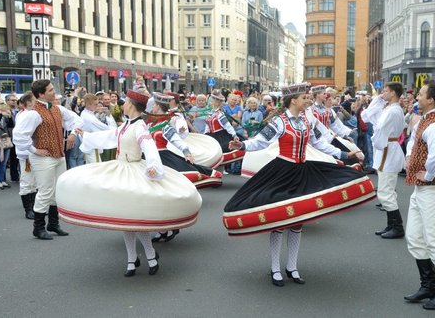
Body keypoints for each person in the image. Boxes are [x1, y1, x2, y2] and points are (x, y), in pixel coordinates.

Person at [224, 83, 376, 287]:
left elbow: (319, 143)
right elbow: (260, 142)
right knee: (278, 221)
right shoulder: (279, 121)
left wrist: (343, 154)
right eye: (304, 98)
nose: (308, 100)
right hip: (281, 172)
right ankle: (275, 268)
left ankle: (292, 267)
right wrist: (242, 145)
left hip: (302, 171)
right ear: (293, 100)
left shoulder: (306, 120)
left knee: (297, 221)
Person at [56, 89, 202, 276]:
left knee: (134, 216)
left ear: (132, 105)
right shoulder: (126, 125)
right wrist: (86, 135)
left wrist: (153, 168)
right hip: (121, 169)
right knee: (126, 217)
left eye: (125, 102)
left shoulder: (140, 126)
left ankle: (148, 255)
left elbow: (149, 148)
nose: (123, 104)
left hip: (134, 170)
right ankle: (133, 259)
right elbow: (109, 136)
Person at [404, 81, 435, 310]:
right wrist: (410, 159)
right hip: (422, 189)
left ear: (431, 99)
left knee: (434, 240)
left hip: (432, 188)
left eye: (421, 94)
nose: (417, 97)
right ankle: (428, 285)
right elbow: (413, 143)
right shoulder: (425, 120)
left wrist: (427, 173)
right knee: (414, 237)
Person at [12, 79, 83, 240]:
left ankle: (53, 223)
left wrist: (73, 133)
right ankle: (38, 227)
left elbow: (77, 120)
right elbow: (18, 135)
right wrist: (34, 149)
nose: (54, 92)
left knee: (57, 190)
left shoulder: (57, 108)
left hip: (58, 155)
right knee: (44, 191)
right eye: (51, 90)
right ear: (41, 94)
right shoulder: (33, 113)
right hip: (42, 158)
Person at [147, 92, 222, 241]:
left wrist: (186, 152)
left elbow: (177, 140)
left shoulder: (165, 124)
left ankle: (168, 227)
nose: (152, 107)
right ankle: (166, 227)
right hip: (150, 159)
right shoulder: (150, 123)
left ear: (159, 106)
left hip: (164, 159)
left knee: (165, 193)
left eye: (154, 105)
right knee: (156, 195)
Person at [371, 82, 406, 239]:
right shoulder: (392, 109)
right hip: (388, 147)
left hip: (387, 149)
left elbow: (379, 129)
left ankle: (397, 226)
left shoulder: (392, 110)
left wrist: (376, 142)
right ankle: (391, 225)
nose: (382, 93)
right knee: (386, 190)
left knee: (385, 191)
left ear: (393, 93)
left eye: (385, 91)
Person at [13, 92, 38, 219]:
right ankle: (28, 209)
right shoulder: (24, 115)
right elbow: (21, 135)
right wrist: (31, 149)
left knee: (33, 181)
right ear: (28, 102)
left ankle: (33, 207)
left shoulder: (25, 114)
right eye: (34, 100)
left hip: (30, 151)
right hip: (26, 153)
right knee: (26, 180)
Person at [80, 93, 117, 164]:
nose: (97, 106)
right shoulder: (90, 118)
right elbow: (104, 128)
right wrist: (117, 130)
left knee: (91, 169)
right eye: (95, 104)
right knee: (97, 168)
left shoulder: (85, 113)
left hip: (88, 145)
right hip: (93, 147)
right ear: (88, 104)